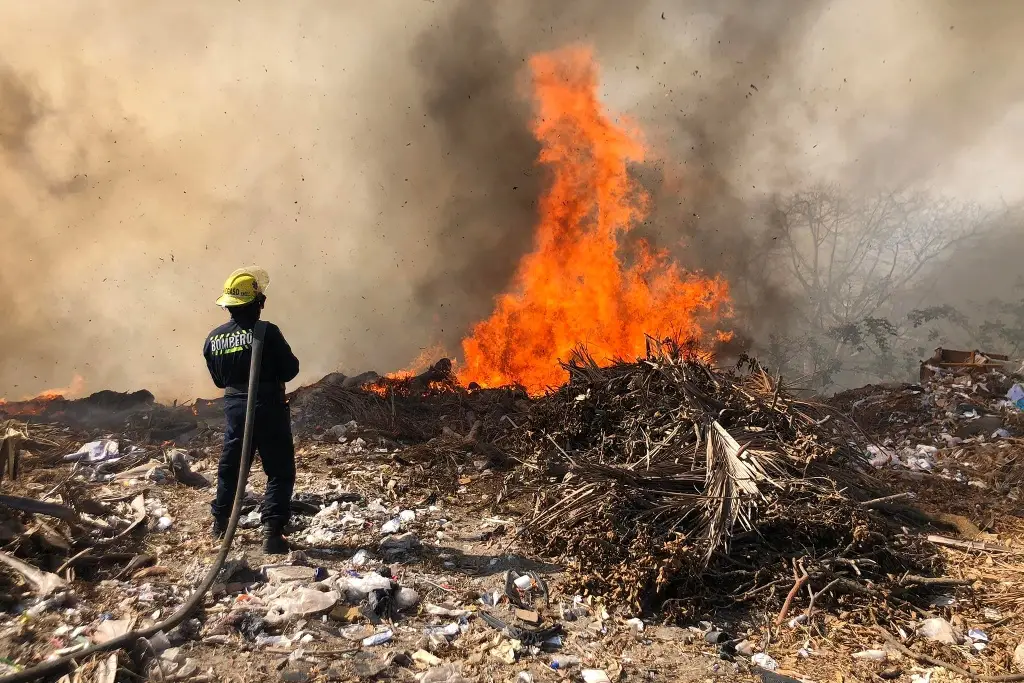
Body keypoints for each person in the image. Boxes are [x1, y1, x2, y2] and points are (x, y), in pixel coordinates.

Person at [203, 267, 299, 554]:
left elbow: (219, 381)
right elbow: (291, 370)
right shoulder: (266, 332)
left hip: (234, 408)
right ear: (257, 304)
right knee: (280, 470)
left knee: (231, 467)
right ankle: (272, 532)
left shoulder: (214, 339)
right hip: (267, 405)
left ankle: (220, 523)